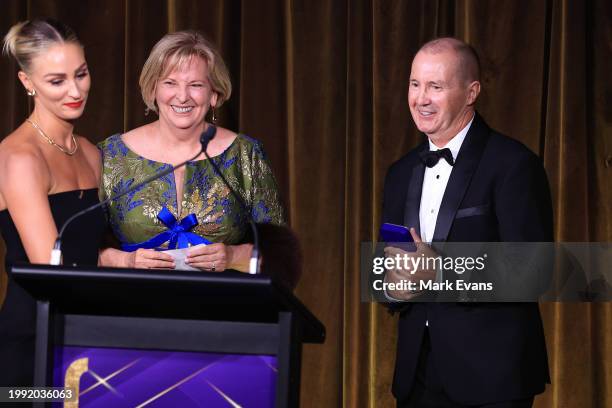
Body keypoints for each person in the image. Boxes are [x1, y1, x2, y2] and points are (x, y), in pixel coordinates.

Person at [381, 38, 553, 407]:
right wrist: (393, 283)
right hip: (417, 376)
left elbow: (534, 271)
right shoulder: (400, 173)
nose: (420, 98)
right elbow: (388, 271)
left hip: (492, 377)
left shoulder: (513, 164)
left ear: (471, 92)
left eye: (435, 86)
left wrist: (439, 273)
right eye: (415, 84)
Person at [98, 31, 284, 272]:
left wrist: (232, 255)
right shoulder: (111, 155)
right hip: (130, 303)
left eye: (195, 85)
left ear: (214, 94)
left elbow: (280, 255)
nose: (183, 96)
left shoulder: (246, 155)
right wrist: (126, 261)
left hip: (223, 305)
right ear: (153, 89)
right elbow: (78, 249)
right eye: (170, 83)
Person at [0, 18, 105, 386]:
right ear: (27, 83)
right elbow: (51, 268)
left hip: (86, 341)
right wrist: (115, 261)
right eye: (57, 81)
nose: (75, 90)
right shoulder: (20, 157)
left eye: (81, 74)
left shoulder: (92, 154)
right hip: (31, 349)